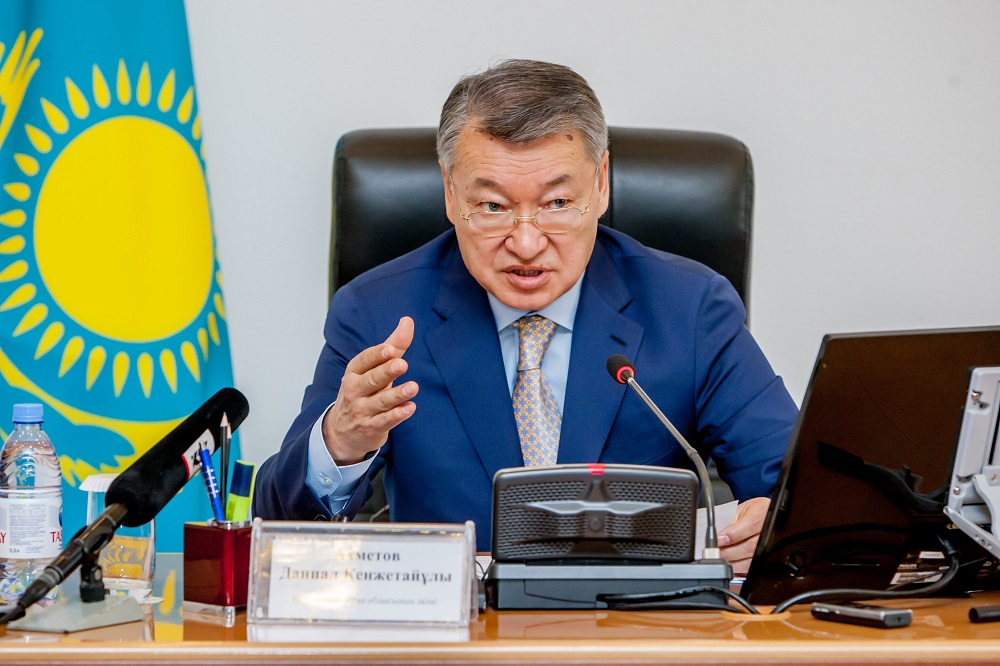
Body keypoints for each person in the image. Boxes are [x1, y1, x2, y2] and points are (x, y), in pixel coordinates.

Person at [252, 59, 798, 573]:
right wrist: (340, 442)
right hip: (460, 626)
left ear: (601, 184)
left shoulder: (689, 308)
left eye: (556, 203)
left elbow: (796, 488)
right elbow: (276, 525)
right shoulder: (378, 312)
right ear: (450, 193)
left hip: (633, 624)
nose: (527, 243)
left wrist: (772, 523)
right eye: (493, 206)